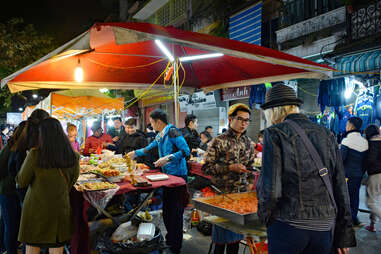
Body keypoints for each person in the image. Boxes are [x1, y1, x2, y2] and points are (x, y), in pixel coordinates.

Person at [257, 84, 355, 254]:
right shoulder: (327, 134)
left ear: (273, 111)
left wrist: (264, 217)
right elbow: (340, 185)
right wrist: (344, 234)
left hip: (289, 225)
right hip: (325, 226)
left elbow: (271, 189)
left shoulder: (274, 133)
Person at [127, 109, 190, 254]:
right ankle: (170, 241)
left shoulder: (173, 132)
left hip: (178, 178)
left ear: (158, 122)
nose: (151, 125)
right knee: (168, 212)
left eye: (151, 122)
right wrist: (135, 153)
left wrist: (168, 158)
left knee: (175, 213)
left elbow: (186, 151)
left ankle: (176, 247)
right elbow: (149, 148)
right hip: (167, 178)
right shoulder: (160, 135)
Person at [16, 118, 80, 254]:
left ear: (41, 134)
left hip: (36, 210)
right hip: (59, 209)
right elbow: (73, 180)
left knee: (33, 245)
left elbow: (21, 181)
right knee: (57, 246)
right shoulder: (74, 156)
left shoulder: (34, 154)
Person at [203, 103, 256, 254]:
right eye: (240, 119)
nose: (244, 123)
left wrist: (250, 184)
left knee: (235, 242)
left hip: (240, 199)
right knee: (220, 241)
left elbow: (252, 168)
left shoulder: (248, 143)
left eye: (247, 120)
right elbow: (206, 168)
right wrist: (229, 168)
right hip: (222, 196)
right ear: (230, 119)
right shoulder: (218, 141)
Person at [0, 121, 27, 254]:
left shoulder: (15, 146)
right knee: (11, 226)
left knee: (8, 224)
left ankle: (6, 248)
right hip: (8, 192)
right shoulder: (12, 148)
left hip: (13, 192)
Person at [340, 117, 368, 226]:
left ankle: (351, 219)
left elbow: (341, 160)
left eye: (347, 124)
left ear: (351, 126)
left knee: (345, 198)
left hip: (347, 175)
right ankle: (354, 217)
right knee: (355, 197)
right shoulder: (364, 141)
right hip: (358, 175)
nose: (346, 126)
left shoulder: (346, 141)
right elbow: (365, 162)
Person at [363, 124, 381, 232]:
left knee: (370, 203)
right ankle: (372, 225)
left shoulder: (373, 143)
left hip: (376, 175)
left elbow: (371, 160)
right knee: (376, 200)